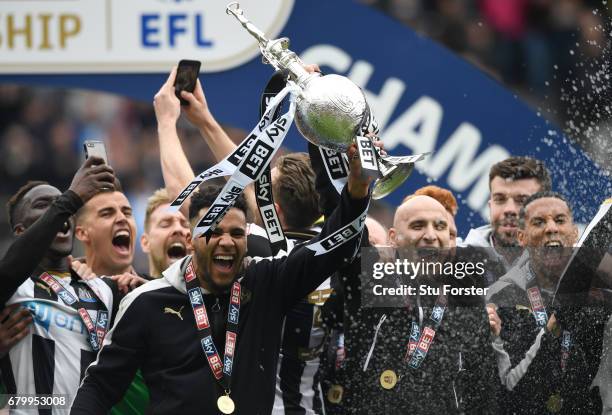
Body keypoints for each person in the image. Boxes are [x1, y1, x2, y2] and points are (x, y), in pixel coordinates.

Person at [70, 142, 371, 414]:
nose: (226, 241)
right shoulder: (146, 302)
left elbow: (331, 248)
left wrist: (356, 189)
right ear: (190, 240)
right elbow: (100, 386)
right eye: (213, 231)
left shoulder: (266, 284)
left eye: (236, 233)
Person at [0, 157, 119, 414]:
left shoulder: (105, 291)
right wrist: (71, 198)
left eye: (60, 205)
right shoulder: (13, 291)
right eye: (43, 205)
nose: (59, 211)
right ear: (21, 231)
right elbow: (9, 269)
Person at [486, 191, 603, 414]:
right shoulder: (502, 297)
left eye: (560, 220)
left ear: (575, 233)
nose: (551, 228)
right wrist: (553, 327)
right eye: (539, 222)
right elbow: (510, 388)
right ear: (522, 237)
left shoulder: (599, 293)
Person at [462, 156, 552, 277]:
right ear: (490, 206)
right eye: (500, 199)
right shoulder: (454, 265)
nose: (509, 209)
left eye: (522, 201)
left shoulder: (567, 270)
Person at [140, 188, 191, 278]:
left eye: (185, 225)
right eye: (165, 224)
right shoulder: (133, 290)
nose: (178, 228)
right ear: (145, 243)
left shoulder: (217, 291)